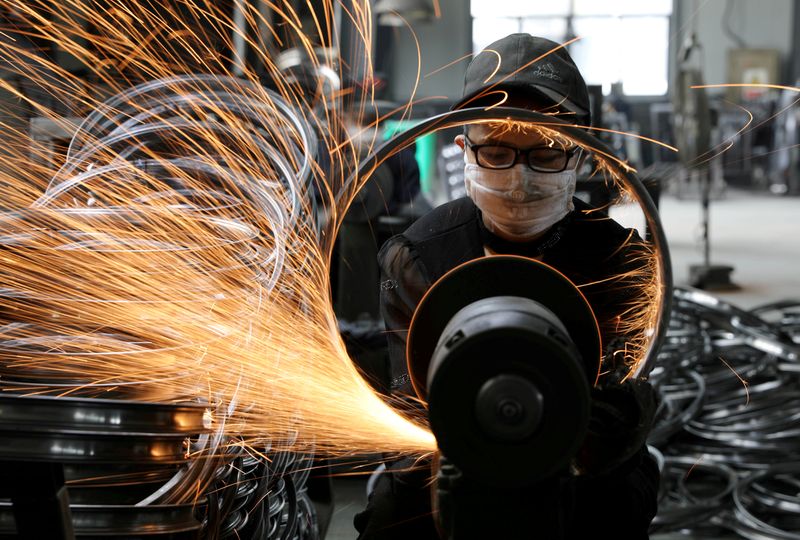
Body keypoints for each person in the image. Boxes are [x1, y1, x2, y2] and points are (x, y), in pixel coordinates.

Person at [355, 34, 659, 539]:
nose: (519, 179)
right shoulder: (418, 258)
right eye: (497, 150)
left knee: (620, 506)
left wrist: (616, 434)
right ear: (464, 150)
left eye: (547, 152)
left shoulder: (621, 260)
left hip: (580, 459)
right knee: (392, 521)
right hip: (447, 454)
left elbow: (627, 386)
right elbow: (409, 415)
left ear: (582, 156)